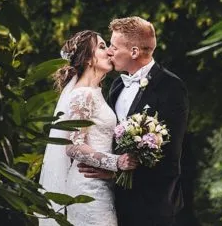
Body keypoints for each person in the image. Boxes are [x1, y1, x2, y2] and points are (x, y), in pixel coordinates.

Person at [78, 17, 189, 226]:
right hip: (114, 203)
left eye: (113, 46)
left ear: (135, 52)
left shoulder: (171, 87)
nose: (109, 51)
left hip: (153, 205)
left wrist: (116, 174)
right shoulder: (117, 85)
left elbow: (170, 156)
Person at [39, 30, 138, 226]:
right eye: (102, 47)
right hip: (87, 188)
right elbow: (74, 146)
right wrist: (117, 162)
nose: (109, 51)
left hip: (100, 184)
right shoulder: (83, 95)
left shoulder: (95, 93)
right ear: (88, 59)